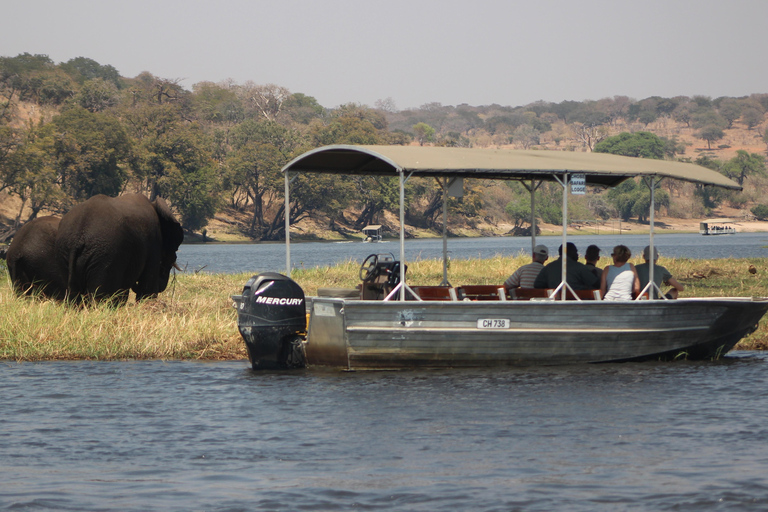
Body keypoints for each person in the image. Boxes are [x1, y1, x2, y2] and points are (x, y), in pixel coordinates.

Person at [533, 242, 600, 290]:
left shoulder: (548, 267)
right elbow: (596, 283)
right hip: (577, 303)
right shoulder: (580, 267)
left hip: (555, 303)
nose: (577, 255)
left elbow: (537, 285)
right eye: (576, 252)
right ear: (571, 253)